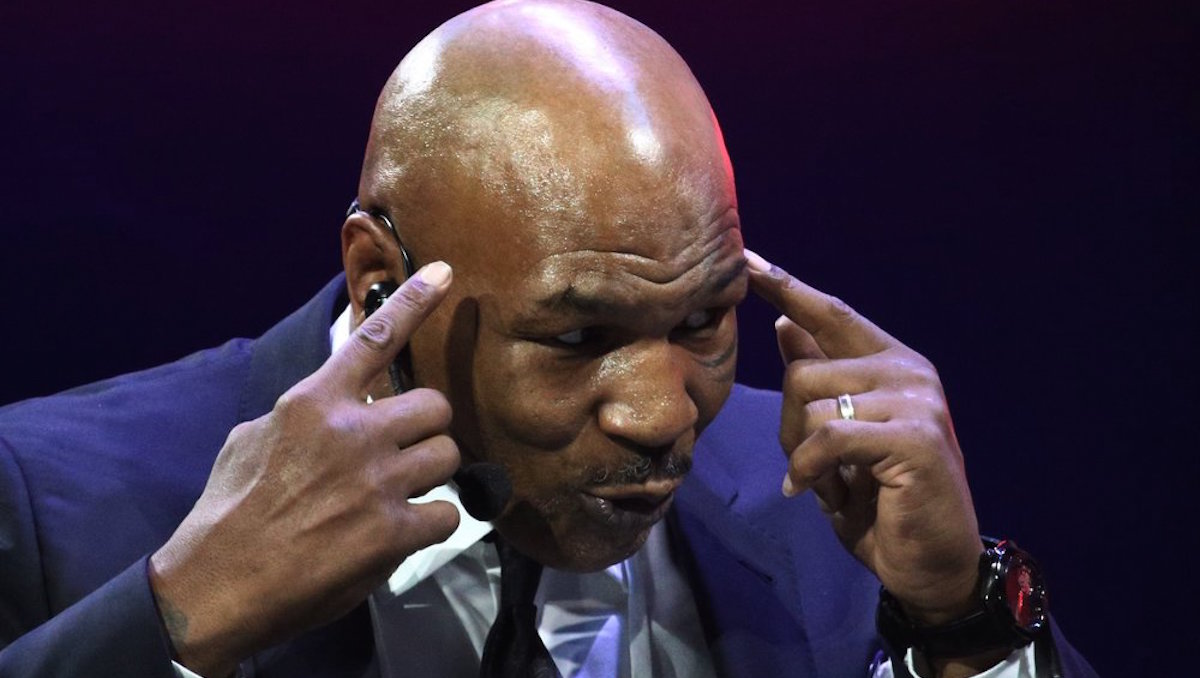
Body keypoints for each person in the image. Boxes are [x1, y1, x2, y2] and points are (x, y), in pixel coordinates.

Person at [0, 1, 1097, 677]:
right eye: (577, 335)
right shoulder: (60, 506)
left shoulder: (823, 499)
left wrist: (961, 620)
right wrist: (172, 629)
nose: (662, 415)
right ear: (381, 280)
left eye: (703, 320)